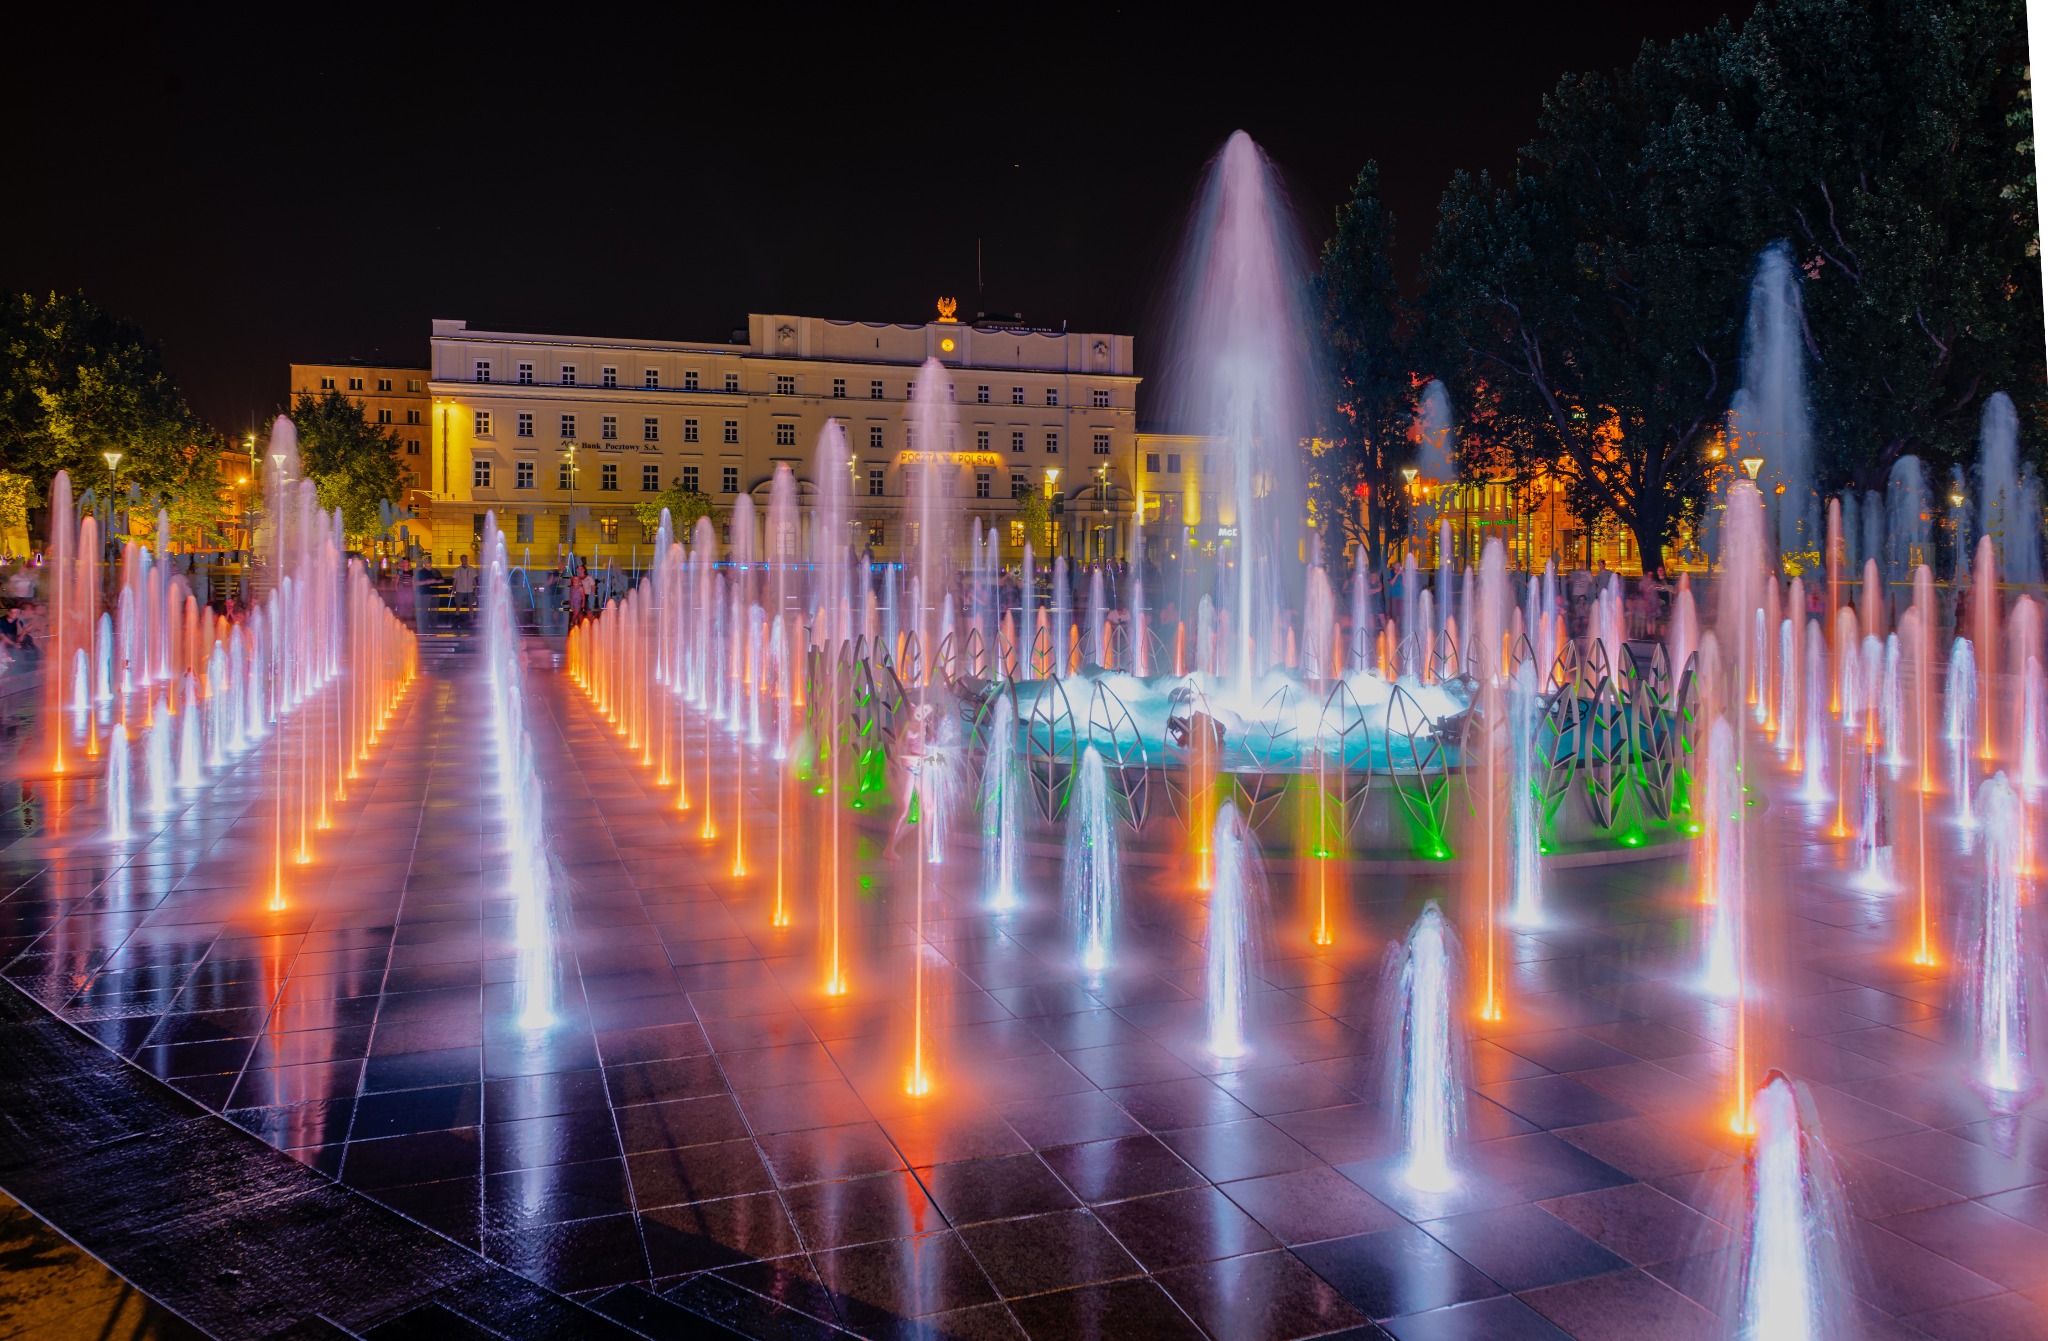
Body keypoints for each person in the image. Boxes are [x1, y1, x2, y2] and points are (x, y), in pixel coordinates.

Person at [883, 702, 936, 859]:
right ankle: (889, 849)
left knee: (930, 808)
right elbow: (900, 749)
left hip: (921, 767)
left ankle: (928, 847)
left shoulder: (924, 724)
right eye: (918, 712)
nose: (924, 718)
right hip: (909, 769)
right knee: (904, 811)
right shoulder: (911, 725)